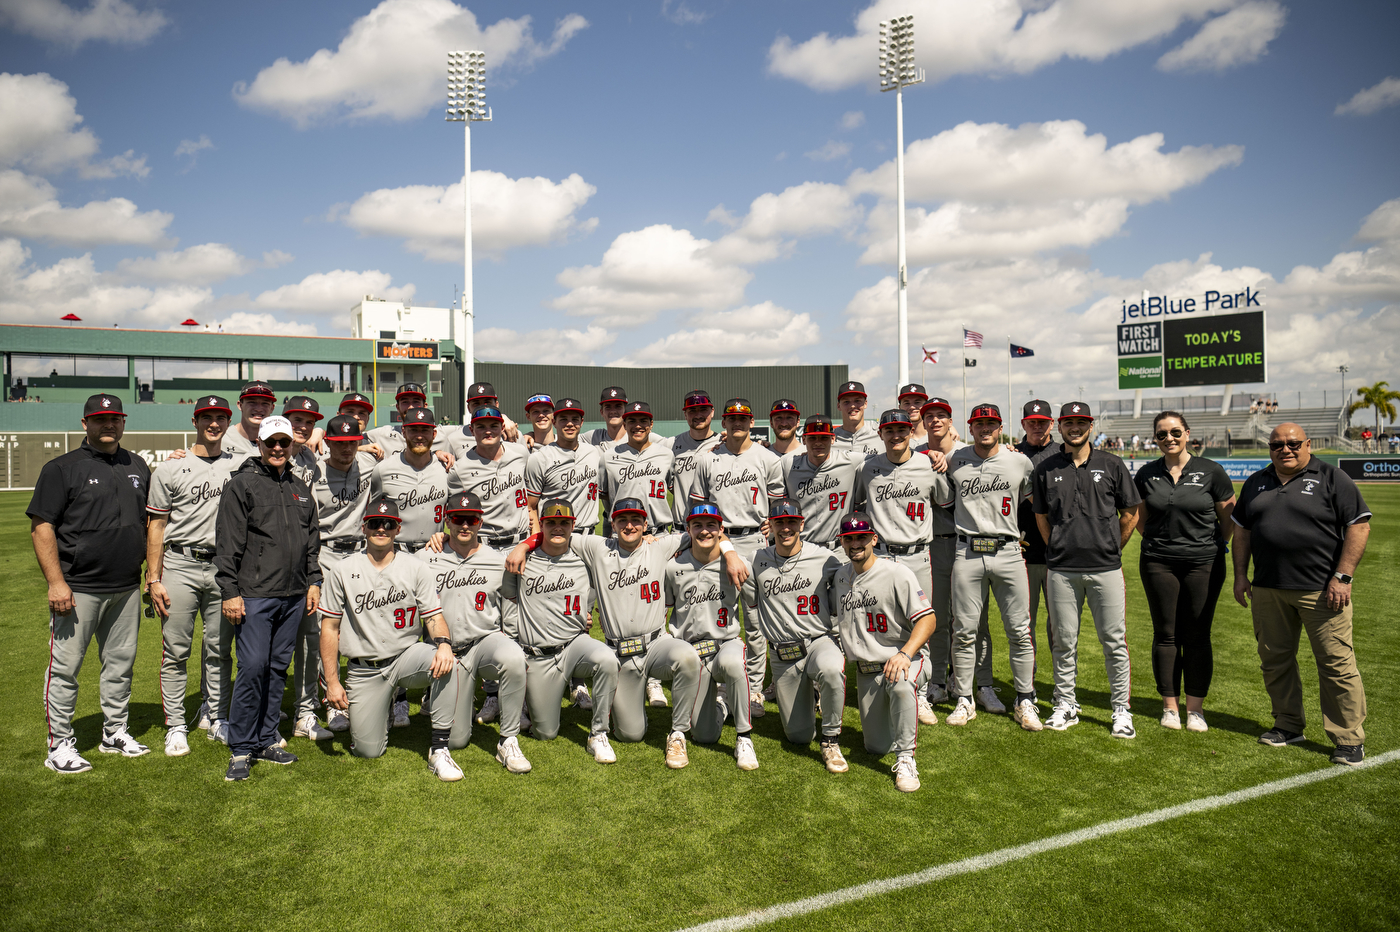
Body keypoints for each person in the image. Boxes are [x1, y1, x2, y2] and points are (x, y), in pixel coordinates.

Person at [507, 498, 747, 769]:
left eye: (636, 520)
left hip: (656, 644)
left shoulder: (661, 545)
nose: (629, 525)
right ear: (612, 523)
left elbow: (706, 531)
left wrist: (730, 552)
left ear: (646, 524)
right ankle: (632, 713)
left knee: (687, 656)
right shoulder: (596, 546)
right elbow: (556, 532)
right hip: (620, 653)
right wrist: (523, 545)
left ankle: (678, 733)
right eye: (622, 520)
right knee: (630, 734)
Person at [1232, 423, 1371, 765]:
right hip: (1267, 589)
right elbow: (1242, 533)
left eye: (1293, 443)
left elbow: (1359, 526)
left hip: (1322, 591)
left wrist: (1343, 576)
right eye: (1277, 444)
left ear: (1308, 444)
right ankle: (1288, 724)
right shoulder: (1256, 482)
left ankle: (1348, 738)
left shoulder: (1331, 477)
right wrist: (1239, 575)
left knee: (1336, 665)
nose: (1286, 449)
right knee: (1275, 661)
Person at [30, 394, 152, 773]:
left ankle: (114, 732)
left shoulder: (137, 464)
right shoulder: (61, 468)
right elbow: (42, 526)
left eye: (115, 418)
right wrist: (56, 583)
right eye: (100, 419)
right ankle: (59, 744)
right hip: (78, 588)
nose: (108, 425)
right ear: (85, 423)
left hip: (126, 586)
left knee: (120, 665)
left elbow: (152, 523)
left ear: (123, 422)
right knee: (65, 669)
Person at [319, 497, 462, 781]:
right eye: (375, 523)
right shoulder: (343, 569)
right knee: (367, 751)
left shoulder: (416, 567)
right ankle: (380, 710)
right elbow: (330, 628)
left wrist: (444, 643)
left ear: (398, 529)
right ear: (364, 528)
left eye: (388, 524)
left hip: (405, 657)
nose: (381, 529)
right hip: (364, 668)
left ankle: (439, 749)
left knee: (448, 663)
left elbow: (433, 617)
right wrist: (333, 682)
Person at [214, 415, 322, 782]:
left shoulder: (300, 487)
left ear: (292, 445)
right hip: (255, 595)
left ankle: (265, 738)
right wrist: (230, 591)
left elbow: (311, 541)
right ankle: (242, 747)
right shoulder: (242, 485)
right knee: (253, 667)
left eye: (284, 442)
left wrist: (313, 581)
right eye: (270, 442)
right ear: (259, 444)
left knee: (277, 669)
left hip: (293, 595)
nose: (278, 448)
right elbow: (227, 544)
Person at [1032, 402, 1140, 739]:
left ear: (1090, 426)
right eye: (1069, 423)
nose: (1075, 428)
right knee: (1063, 641)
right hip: (1062, 570)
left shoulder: (1112, 463)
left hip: (1105, 568)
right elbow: (1041, 517)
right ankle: (1065, 703)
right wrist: (1059, 547)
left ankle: (1121, 709)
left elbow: (1131, 512)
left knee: (1114, 642)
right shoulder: (1046, 468)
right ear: (1060, 427)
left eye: (1081, 422)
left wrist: (1111, 546)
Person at [145, 395, 239, 754]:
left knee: (219, 649)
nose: (213, 423)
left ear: (228, 423)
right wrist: (153, 578)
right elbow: (156, 525)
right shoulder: (170, 467)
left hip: (223, 567)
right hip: (180, 564)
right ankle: (175, 724)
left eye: (220, 417)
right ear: (195, 421)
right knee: (176, 651)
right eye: (207, 417)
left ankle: (217, 718)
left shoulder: (241, 464)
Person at [1134, 411, 1235, 732]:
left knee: (1197, 635)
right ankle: (1169, 708)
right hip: (1158, 562)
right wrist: (1161, 543)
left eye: (1175, 432)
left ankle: (1195, 710)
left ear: (1187, 433)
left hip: (1203, 563)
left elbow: (1228, 519)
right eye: (1162, 434)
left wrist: (1205, 545)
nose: (1169, 438)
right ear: (1155, 439)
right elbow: (1140, 518)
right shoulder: (1146, 474)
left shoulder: (1212, 471)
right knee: (1165, 635)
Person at [416, 492, 532, 772]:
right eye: (458, 518)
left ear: (480, 522)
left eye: (471, 519)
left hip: (483, 643)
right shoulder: (426, 557)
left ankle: (508, 740)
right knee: (456, 741)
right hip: (444, 651)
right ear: (447, 521)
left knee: (514, 657)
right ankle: (452, 700)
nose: (464, 525)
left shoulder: (496, 560)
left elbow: (511, 603)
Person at [944, 404, 1040, 731]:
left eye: (991, 423)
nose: (985, 428)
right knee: (965, 630)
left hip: (1008, 551)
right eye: (979, 423)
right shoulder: (956, 459)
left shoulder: (1019, 461)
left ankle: (1024, 699)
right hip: (967, 552)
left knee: (1019, 630)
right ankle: (964, 699)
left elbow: (1032, 500)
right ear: (970, 428)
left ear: (1000, 427)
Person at [852, 408, 950, 726]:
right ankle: (880, 684)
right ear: (880, 434)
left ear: (911, 431)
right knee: (879, 623)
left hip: (917, 555)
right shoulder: (867, 468)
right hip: (878, 556)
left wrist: (943, 459)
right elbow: (855, 505)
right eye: (889, 430)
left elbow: (946, 502)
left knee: (919, 622)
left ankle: (919, 693)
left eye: (902, 430)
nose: (896, 435)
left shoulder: (929, 465)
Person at [501, 498, 618, 763]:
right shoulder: (521, 559)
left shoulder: (584, 558)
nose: (557, 528)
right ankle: (528, 698)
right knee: (545, 733)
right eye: (551, 522)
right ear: (541, 525)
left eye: (564, 523)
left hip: (574, 645)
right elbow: (508, 600)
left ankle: (598, 733)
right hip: (538, 654)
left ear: (572, 525)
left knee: (607, 660)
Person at [690, 398, 786, 717]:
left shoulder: (766, 457)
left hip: (757, 543)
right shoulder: (708, 459)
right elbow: (697, 507)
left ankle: (755, 688)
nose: (737, 424)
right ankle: (721, 685)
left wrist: (773, 523)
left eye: (743, 419)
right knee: (720, 618)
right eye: (732, 419)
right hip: (719, 543)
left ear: (751, 421)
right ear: (724, 423)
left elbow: (780, 503)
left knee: (757, 622)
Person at [833, 512, 938, 792]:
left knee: (902, 684)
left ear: (874, 539)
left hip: (907, 659)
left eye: (862, 537)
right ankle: (899, 718)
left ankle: (906, 759)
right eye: (849, 538)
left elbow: (928, 619)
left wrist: (905, 653)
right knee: (875, 746)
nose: (856, 543)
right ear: (842, 542)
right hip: (867, 672)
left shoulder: (896, 572)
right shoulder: (841, 577)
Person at [744, 498, 847, 772]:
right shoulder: (757, 560)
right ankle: (809, 699)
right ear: (771, 525)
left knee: (832, 668)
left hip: (818, 642)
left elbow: (852, 575)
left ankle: (831, 740)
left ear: (801, 524)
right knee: (798, 736)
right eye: (780, 522)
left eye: (791, 522)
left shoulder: (824, 556)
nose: (786, 528)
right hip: (783, 653)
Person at [665, 502, 759, 770]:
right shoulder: (674, 567)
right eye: (698, 525)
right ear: (688, 528)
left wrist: (730, 554)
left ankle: (744, 737)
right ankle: (722, 704)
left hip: (724, 643)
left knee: (732, 663)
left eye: (711, 525)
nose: (704, 531)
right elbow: (666, 610)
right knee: (705, 735)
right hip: (691, 652)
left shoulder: (736, 564)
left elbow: (755, 607)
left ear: (721, 530)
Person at [304, 414, 379, 734]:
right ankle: (330, 704)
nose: (346, 449)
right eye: (338, 443)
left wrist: (442, 453)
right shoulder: (313, 471)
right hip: (326, 555)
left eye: (352, 443)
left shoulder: (369, 464)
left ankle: (367, 698)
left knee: (365, 629)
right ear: (328, 443)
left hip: (361, 554)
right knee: (325, 632)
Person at [1015, 400, 1058, 663]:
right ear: (1023, 424)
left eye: (1042, 421)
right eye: (1032, 421)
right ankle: (1027, 689)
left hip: (1057, 551)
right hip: (1022, 551)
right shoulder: (1012, 454)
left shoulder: (1063, 454)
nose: (1037, 426)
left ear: (1051, 423)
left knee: (1060, 626)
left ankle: (1063, 691)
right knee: (1024, 625)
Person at [781, 414, 863, 552]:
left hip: (839, 549)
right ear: (804, 439)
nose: (818, 442)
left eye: (824, 438)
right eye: (812, 438)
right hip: (802, 548)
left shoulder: (851, 461)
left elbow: (886, 460)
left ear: (833, 438)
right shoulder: (788, 463)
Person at [832, 381, 883, 457]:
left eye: (857, 401)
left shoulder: (882, 433)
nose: (852, 406)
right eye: (846, 402)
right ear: (839, 406)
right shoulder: (829, 439)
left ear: (865, 404)